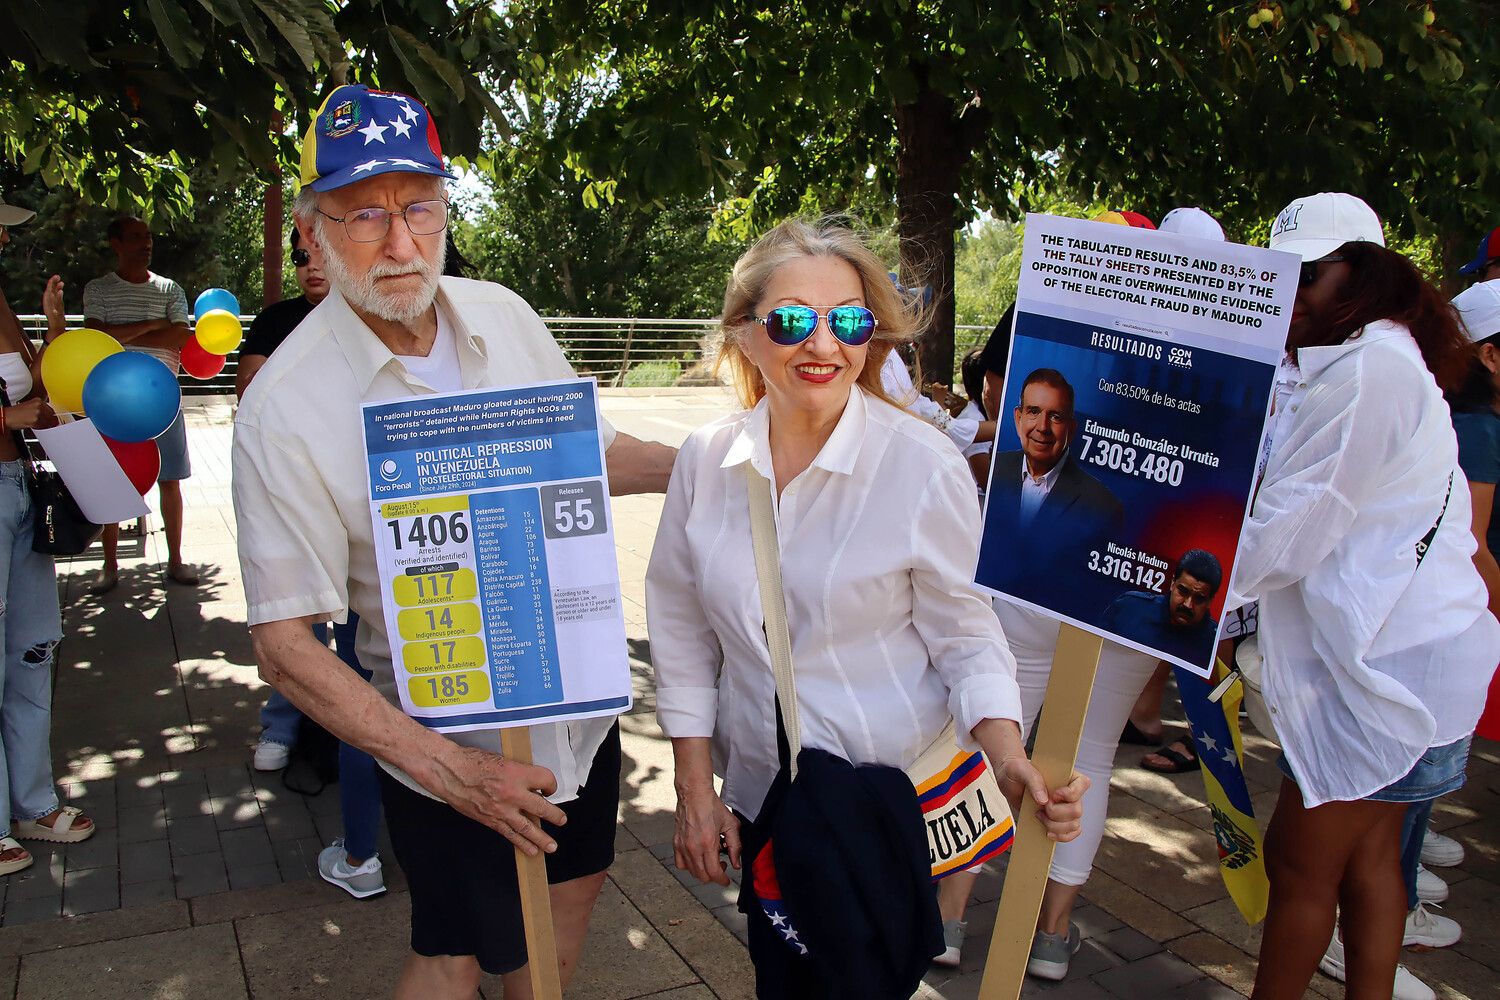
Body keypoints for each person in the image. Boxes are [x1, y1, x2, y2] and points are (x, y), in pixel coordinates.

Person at [233, 83, 674, 999]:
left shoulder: (502, 313)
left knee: (577, 882)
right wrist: (453, 771)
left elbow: (586, 453)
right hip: (447, 742)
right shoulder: (285, 409)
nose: (400, 243)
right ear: (314, 229)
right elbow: (284, 647)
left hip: (575, 708)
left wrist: (721, 467)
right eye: (365, 215)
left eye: (418, 207)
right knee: (455, 950)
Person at [644, 217, 1088, 997]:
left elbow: (966, 634)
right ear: (745, 336)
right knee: (781, 980)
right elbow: (680, 630)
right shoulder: (706, 462)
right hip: (766, 799)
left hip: (884, 808)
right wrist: (692, 791)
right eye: (790, 320)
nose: (823, 344)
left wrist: (1008, 752)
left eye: (848, 320)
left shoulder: (920, 465)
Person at [1233, 192, 1498, 1000]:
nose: (1292, 295)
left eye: (1307, 275)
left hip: (1385, 674)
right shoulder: (1368, 358)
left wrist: (1180, 584)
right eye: (1281, 277)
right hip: (1404, 660)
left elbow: (1297, 524)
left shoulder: (1369, 369)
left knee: (1302, 865)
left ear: (1364, 271)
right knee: (1372, 863)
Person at [0, 195, 96, 875]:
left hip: (18, 494)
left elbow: (35, 389)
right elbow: (17, 409)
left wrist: (56, 333)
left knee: (34, 649)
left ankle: (32, 804)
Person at [239, 227, 332, 773]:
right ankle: (282, 726)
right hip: (293, 492)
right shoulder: (277, 320)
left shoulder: (370, 317)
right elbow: (251, 392)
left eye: (320, 254)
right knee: (297, 618)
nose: (309, 265)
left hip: (361, 490)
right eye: (300, 256)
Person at [82, 216, 197, 592]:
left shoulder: (169, 288)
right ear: (116, 243)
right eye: (135, 237)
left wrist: (128, 333)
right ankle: (110, 565)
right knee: (112, 482)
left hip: (164, 400)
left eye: (148, 236)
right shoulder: (99, 289)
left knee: (171, 480)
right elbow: (95, 335)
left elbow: (180, 335)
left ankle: (176, 560)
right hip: (113, 402)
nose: (145, 244)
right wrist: (150, 325)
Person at [1103, 550, 1222, 672]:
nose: (1188, 605)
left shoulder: (1215, 644)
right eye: (1183, 591)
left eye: (1199, 598)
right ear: (1172, 583)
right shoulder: (1129, 608)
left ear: (1210, 601)